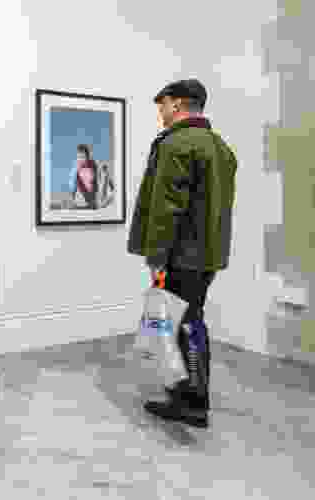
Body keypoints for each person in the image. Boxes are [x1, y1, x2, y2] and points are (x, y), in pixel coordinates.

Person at [127, 78, 237, 428]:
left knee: (181, 324)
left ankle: (191, 401)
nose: (160, 112)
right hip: (207, 255)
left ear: (177, 104)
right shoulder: (220, 147)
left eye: (162, 105)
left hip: (180, 254)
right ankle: (192, 394)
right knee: (192, 319)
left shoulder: (176, 145)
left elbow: (166, 208)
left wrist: (157, 255)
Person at [75, 144, 99, 209]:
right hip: (82, 199)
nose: (81, 159)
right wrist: (86, 195)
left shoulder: (92, 165)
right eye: (79, 157)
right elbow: (79, 184)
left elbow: (95, 181)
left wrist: (93, 196)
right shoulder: (78, 168)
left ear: (87, 156)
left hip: (91, 198)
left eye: (83, 157)